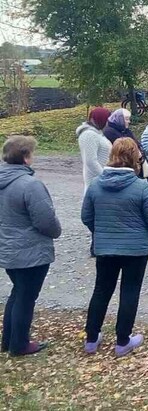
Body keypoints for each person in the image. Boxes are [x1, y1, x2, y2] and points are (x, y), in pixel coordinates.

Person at [82, 138, 148, 357]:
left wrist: (101, 232)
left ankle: (91, 338)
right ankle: (122, 340)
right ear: (134, 157)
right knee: (130, 291)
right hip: (136, 249)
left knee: (101, 290)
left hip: (105, 247)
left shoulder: (97, 184)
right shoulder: (141, 187)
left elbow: (86, 216)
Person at [0, 136, 62, 356]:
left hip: (7, 248)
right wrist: (57, 231)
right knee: (26, 297)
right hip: (30, 252)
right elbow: (45, 220)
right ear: (26, 158)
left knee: (18, 293)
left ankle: (8, 340)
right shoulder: (30, 185)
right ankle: (19, 344)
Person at [78, 106, 112, 191]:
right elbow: (91, 162)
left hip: (102, 181)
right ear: (100, 119)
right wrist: (105, 177)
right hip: (96, 183)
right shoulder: (89, 135)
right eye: (107, 120)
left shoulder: (96, 133)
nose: (108, 123)